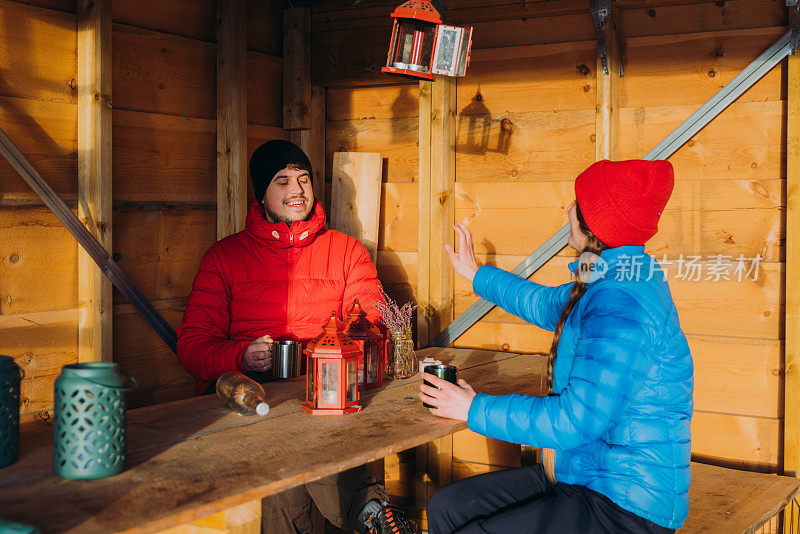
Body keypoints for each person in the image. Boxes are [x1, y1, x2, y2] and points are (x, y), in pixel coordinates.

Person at [419, 159, 693, 534]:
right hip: (587, 473)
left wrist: (473, 407)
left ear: (593, 223)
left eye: (575, 204)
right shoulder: (609, 274)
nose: (567, 209)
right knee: (447, 507)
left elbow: (574, 419)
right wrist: (476, 274)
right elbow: (546, 304)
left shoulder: (621, 304)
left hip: (627, 505)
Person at [177, 140, 416, 534]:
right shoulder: (224, 258)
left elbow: (373, 325)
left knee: (292, 452)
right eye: (282, 180)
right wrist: (242, 356)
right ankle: (369, 510)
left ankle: (369, 511)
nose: (297, 190)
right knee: (287, 434)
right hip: (252, 393)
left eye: (303, 179)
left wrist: (332, 355)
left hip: (325, 390)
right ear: (262, 193)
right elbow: (192, 347)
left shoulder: (346, 252)